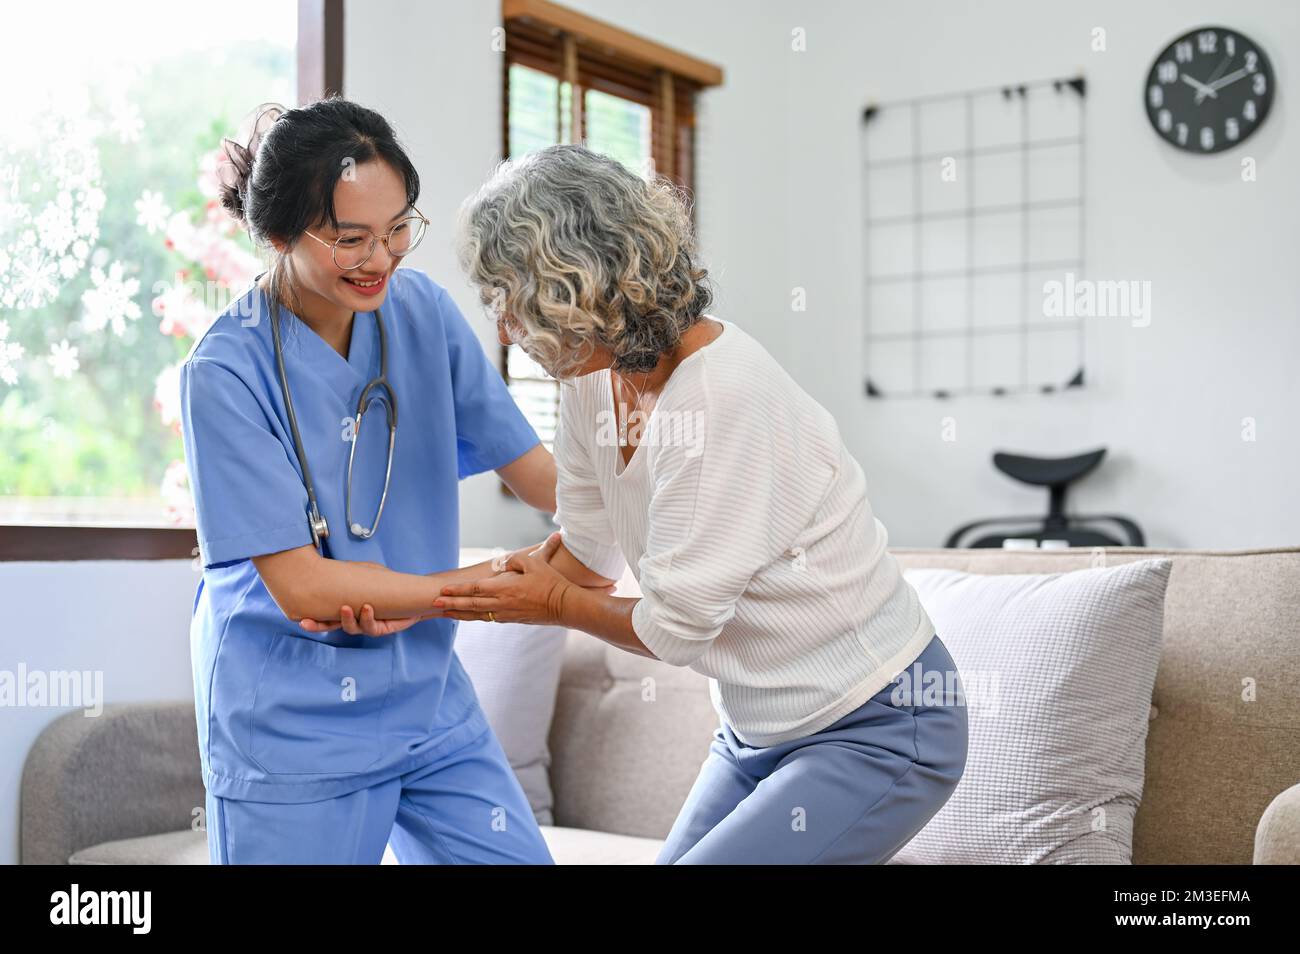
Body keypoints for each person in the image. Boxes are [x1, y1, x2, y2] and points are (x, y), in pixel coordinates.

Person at [429, 143, 970, 864]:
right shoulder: (591, 382)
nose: (504, 331)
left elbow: (674, 629)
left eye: (514, 302)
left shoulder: (718, 397)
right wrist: (449, 595)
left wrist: (547, 605)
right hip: (758, 731)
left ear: (579, 284)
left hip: (880, 724)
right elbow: (587, 556)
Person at [180, 98, 564, 864]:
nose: (381, 260)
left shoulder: (421, 315)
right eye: (351, 239)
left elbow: (544, 480)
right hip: (291, 720)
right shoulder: (225, 373)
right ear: (279, 234)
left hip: (425, 695)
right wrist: (478, 587)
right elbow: (303, 586)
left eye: (397, 231)